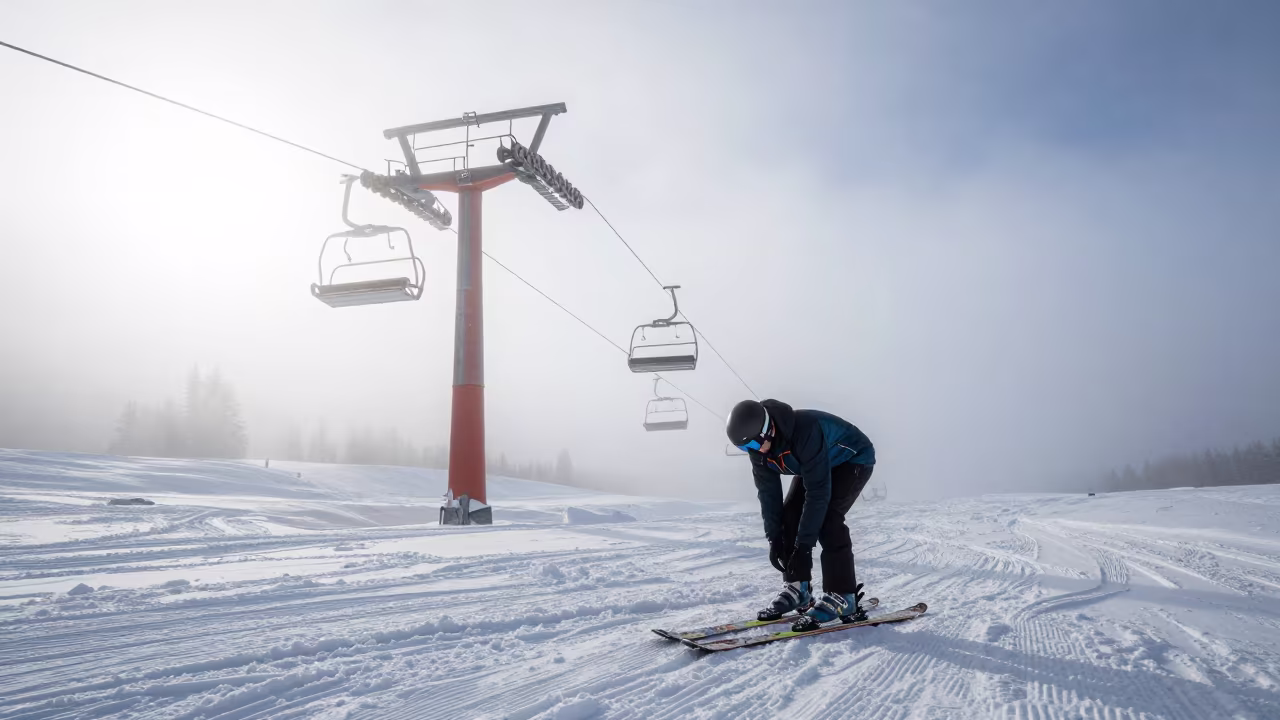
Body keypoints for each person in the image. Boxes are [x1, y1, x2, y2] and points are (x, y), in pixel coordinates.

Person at [726, 398, 876, 631]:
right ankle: (798, 589)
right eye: (744, 449)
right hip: (816, 464)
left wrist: (804, 547)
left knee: (828, 518)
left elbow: (818, 495)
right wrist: (774, 538)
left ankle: (844, 596)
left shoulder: (804, 431)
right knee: (789, 516)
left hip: (851, 459)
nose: (751, 453)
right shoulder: (759, 450)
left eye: (752, 446)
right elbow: (769, 495)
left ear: (767, 432)